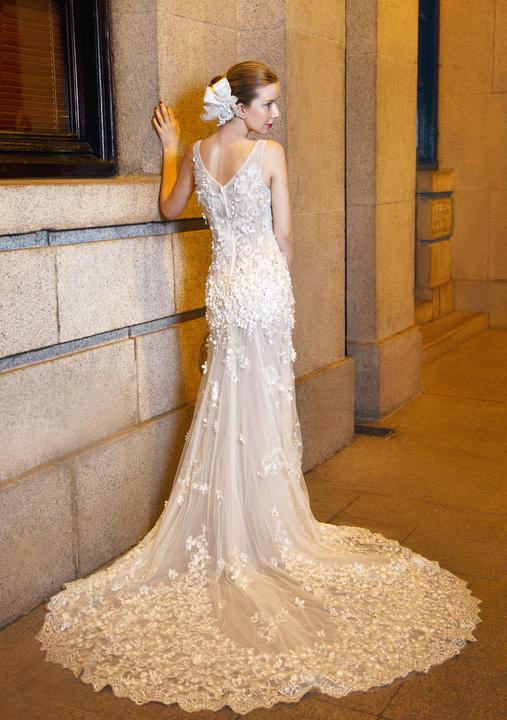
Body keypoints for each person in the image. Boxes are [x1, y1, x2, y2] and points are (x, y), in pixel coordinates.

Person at [36, 60, 481, 715]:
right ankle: (262, 533)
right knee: (261, 412)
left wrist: (169, 149)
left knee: (225, 409)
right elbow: (285, 236)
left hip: (222, 296)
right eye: (267, 103)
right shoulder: (269, 155)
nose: (274, 115)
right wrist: (284, 295)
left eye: (274, 104)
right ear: (240, 105)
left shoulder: (197, 152)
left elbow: (168, 208)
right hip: (264, 294)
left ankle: (234, 527)